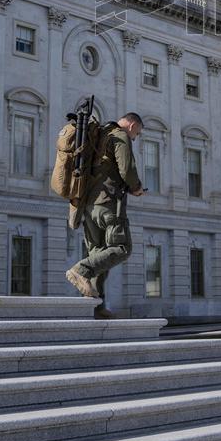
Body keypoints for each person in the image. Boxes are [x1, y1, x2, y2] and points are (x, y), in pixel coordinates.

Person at [65, 111, 145, 316]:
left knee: (100, 254)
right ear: (132, 125)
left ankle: (96, 306)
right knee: (121, 248)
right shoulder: (120, 136)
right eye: (137, 133)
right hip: (109, 204)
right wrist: (136, 188)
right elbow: (126, 170)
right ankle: (80, 270)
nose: (135, 137)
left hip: (88, 206)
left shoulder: (99, 135)